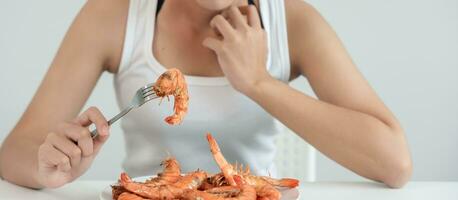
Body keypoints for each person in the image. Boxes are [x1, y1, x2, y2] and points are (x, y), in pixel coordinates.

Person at [0, 0, 412, 189]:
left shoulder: (294, 22)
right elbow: (16, 149)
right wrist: (47, 168)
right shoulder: (114, 15)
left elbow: (394, 163)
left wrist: (258, 83)